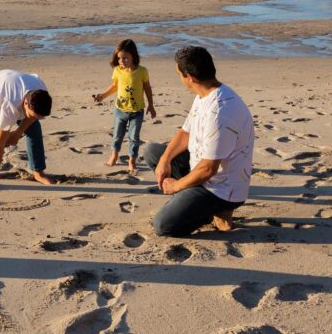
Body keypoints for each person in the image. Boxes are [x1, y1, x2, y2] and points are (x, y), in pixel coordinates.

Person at [143, 46, 254, 236]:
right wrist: (164, 161)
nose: (179, 78)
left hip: (220, 188)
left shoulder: (220, 111)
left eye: (179, 74)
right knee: (153, 152)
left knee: (163, 225)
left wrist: (176, 186)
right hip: (201, 168)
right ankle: (190, 200)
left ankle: (214, 211)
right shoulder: (204, 94)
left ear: (190, 77)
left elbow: (209, 169)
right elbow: (185, 132)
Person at [93, 39, 156, 173]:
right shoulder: (117, 71)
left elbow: (147, 88)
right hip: (120, 110)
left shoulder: (142, 71)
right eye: (119, 58)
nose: (122, 61)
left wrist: (151, 105)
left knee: (134, 137)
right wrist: (102, 95)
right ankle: (114, 156)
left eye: (125, 58)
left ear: (133, 56)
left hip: (137, 111)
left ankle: (132, 160)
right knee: (117, 135)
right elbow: (115, 86)